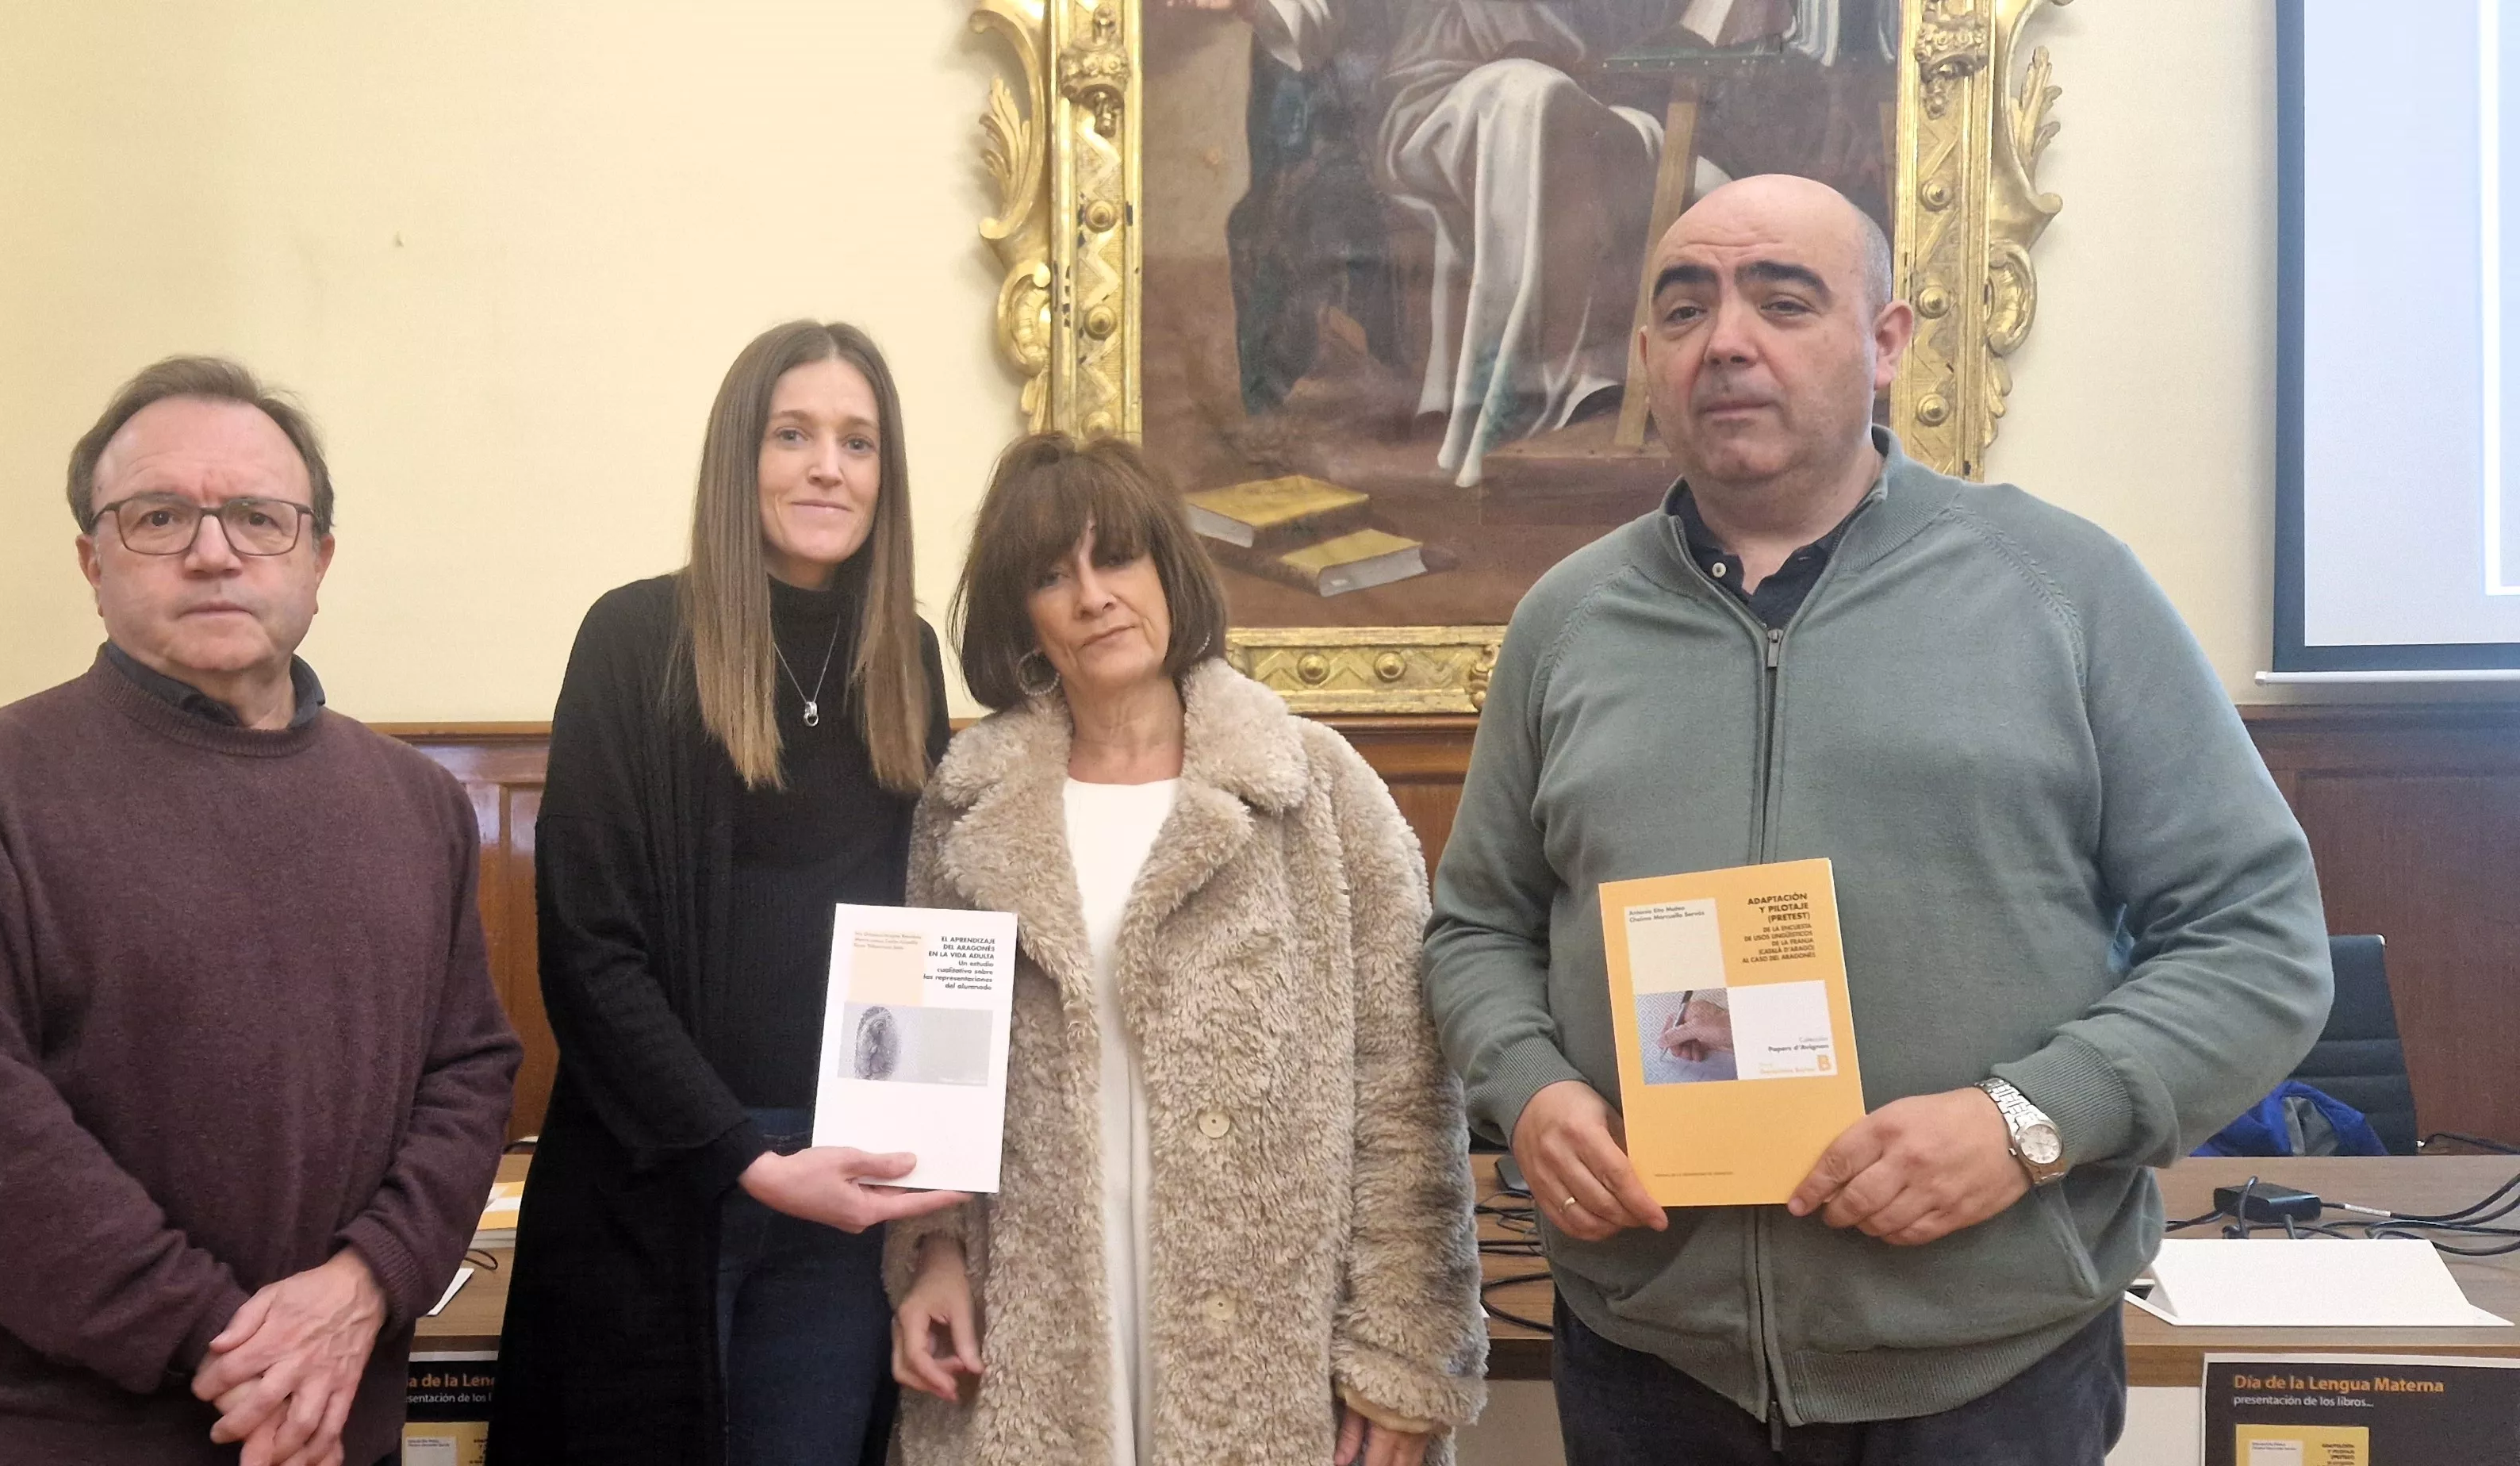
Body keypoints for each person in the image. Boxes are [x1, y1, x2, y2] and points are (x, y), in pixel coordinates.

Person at [1425, 175, 2333, 1463]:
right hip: (1648, 1370)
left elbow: (2258, 941)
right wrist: (1529, 1092)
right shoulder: (1565, 623)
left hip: (1987, 1378)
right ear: (1647, 359)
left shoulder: (2064, 594)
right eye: (1685, 309)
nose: (1726, 338)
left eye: (1782, 300)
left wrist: (2029, 1123)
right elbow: (1475, 928)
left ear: (1889, 342)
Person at [0, 355, 524, 1466]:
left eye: (259, 517)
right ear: (93, 561)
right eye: (161, 515)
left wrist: (362, 1290)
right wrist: (239, 1354)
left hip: (338, 1414)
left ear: (319, 560)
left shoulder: (413, 803)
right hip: (76, 1433)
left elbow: (467, 1076)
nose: (214, 552)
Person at [888, 434, 1481, 1466]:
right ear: (1019, 616)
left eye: (1116, 557)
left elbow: (1405, 1093)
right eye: (1049, 575)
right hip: (1033, 1336)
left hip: (1272, 1347)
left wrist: (1403, 1352)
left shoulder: (1317, 789)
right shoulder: (965, 809)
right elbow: (930, 1088)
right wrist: (930, 1254)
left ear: (1168, 565)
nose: (1092, 596)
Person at [486, 321, 960, 1466]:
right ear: (739, 458)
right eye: (792, 434)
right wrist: (745, 1162)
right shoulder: (635, 637)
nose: (826, 467)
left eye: (857, 441)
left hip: (847, 1196)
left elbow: (931, 934)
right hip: (656, 1189)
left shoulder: (907, 654)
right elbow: (589, 951)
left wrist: (934, 1220)